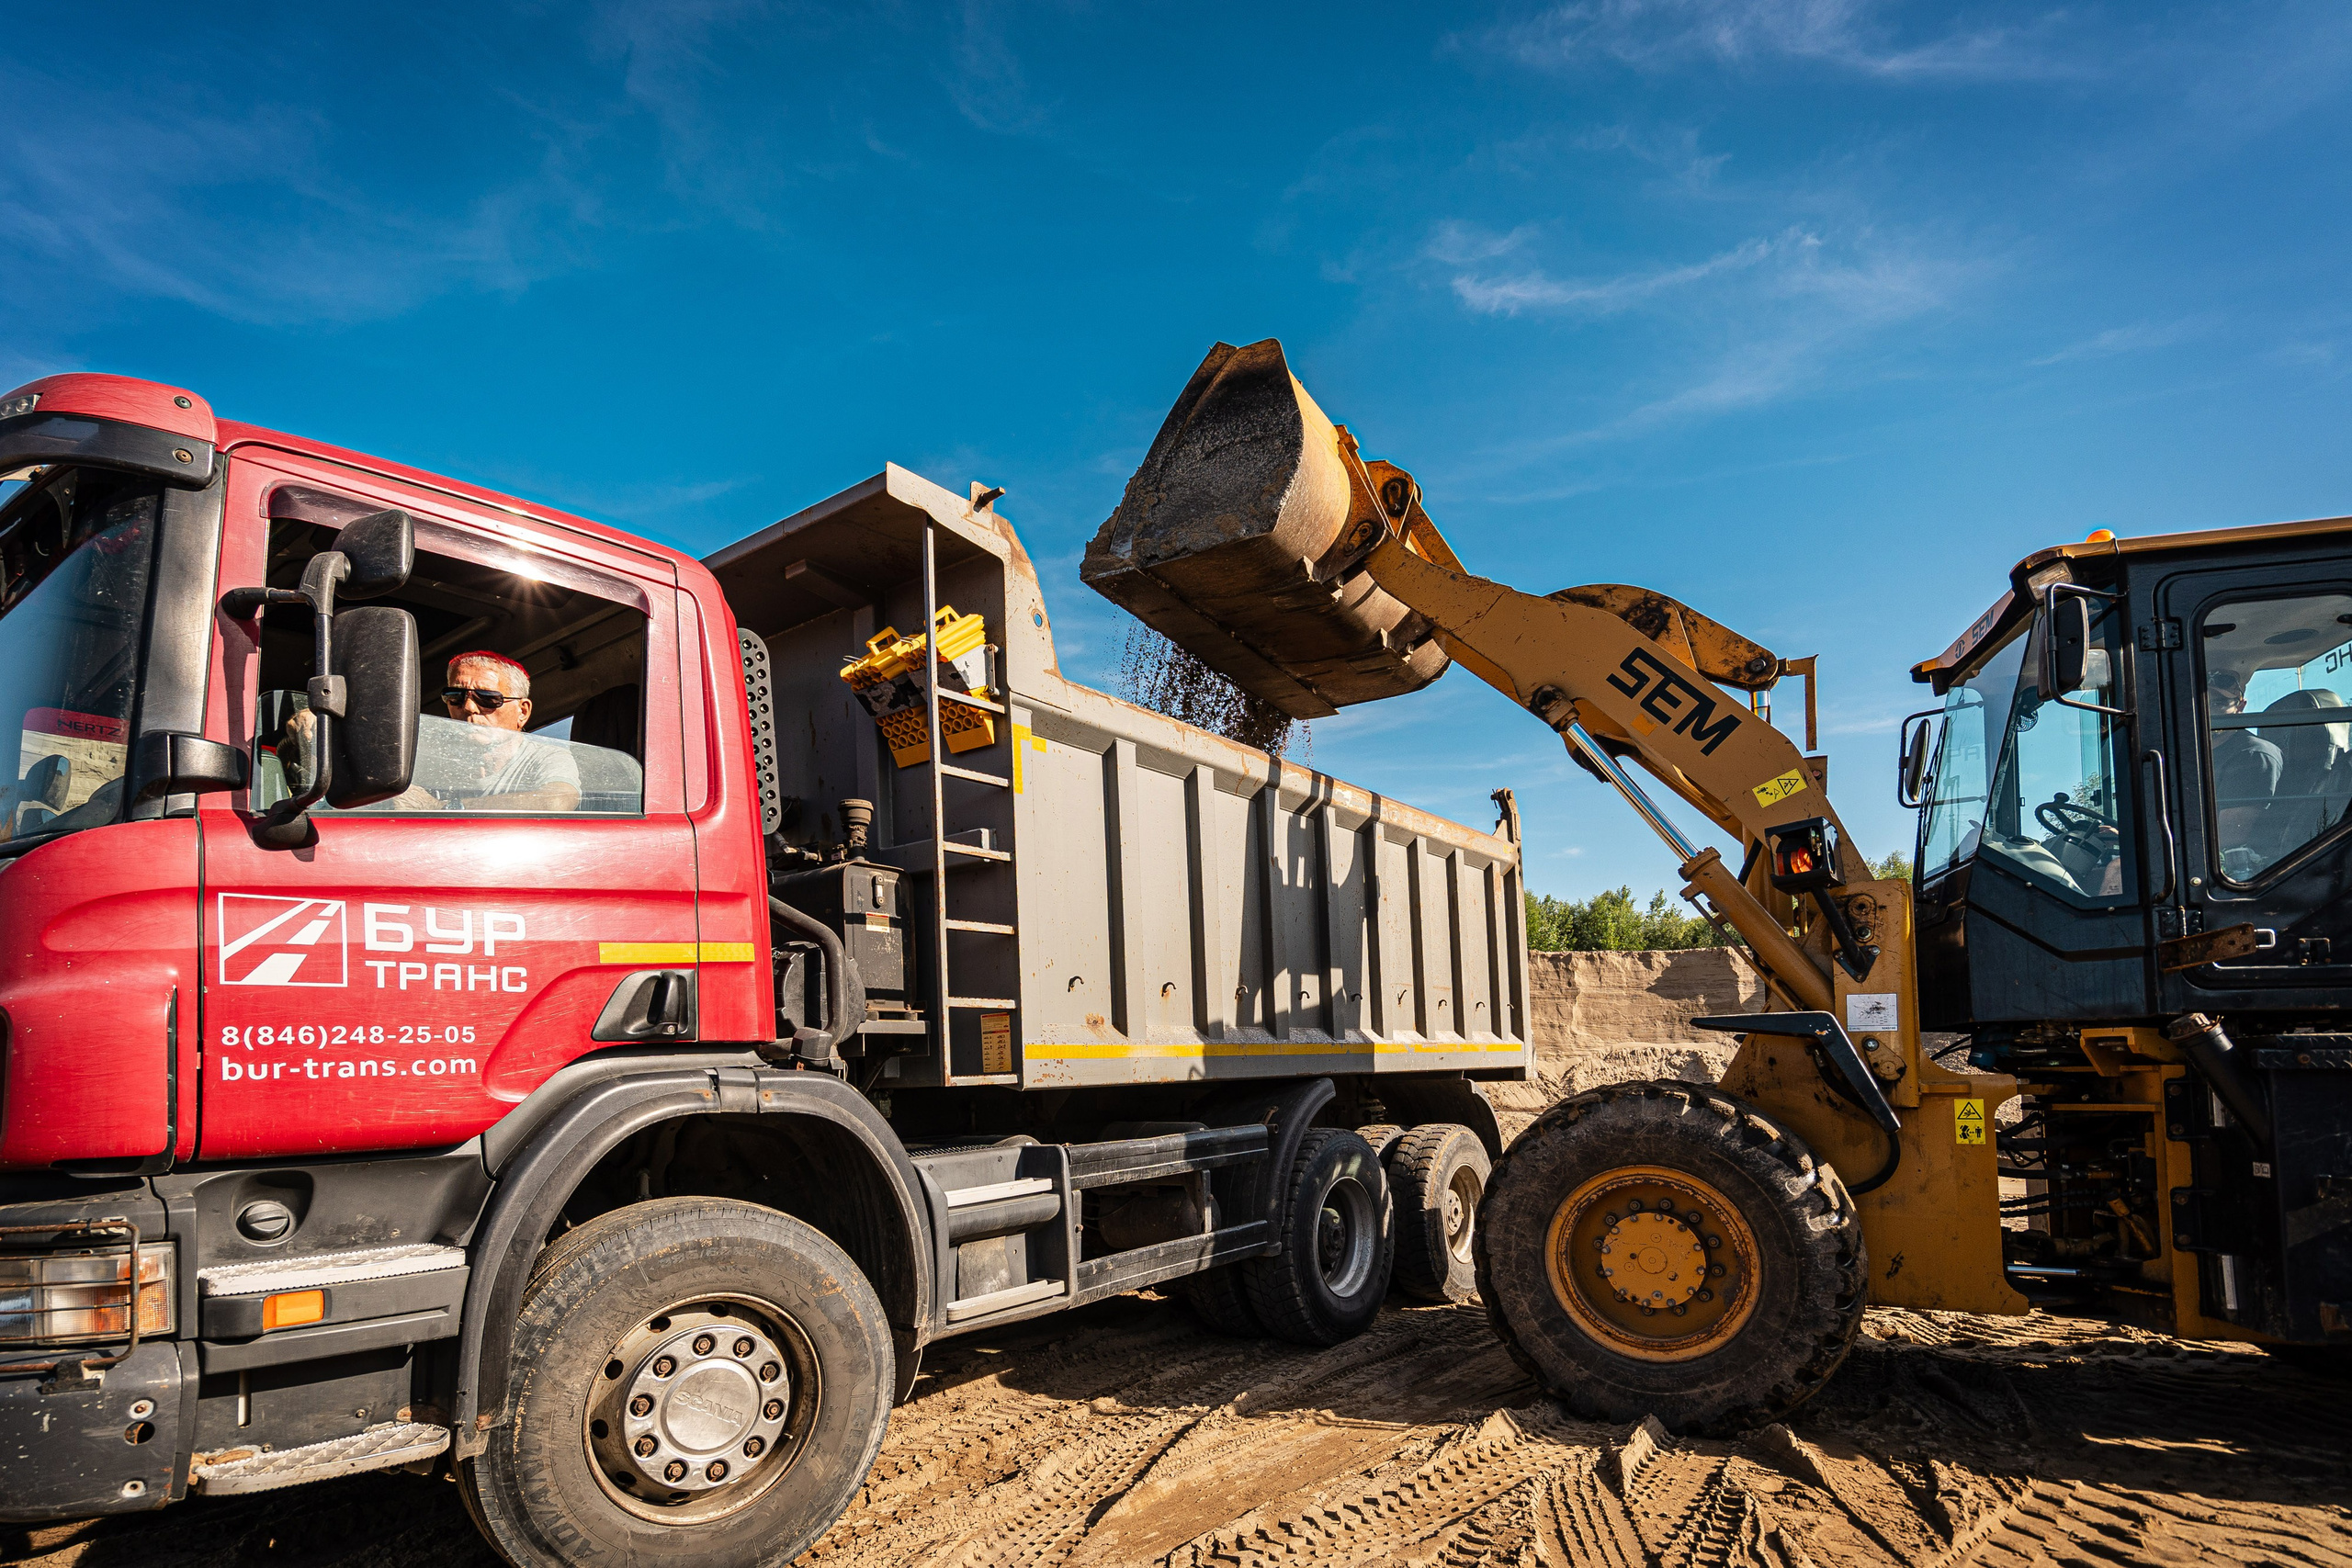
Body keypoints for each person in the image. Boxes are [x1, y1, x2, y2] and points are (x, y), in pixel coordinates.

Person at [429, 650, 582, 812]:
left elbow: (555, 803)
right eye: (455, 697)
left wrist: (441, 808)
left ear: (522, 712)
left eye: (487, 698)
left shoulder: (546, 757)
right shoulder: (434, 761)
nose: (468, 707)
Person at [2209, 666, 2281, 874]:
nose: (2208, 711)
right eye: (2201, 703)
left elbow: (2228, 836)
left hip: (2235, 871)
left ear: (2240, 706)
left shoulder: (2253, 755)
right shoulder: (2197, 755)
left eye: (2218, 703)